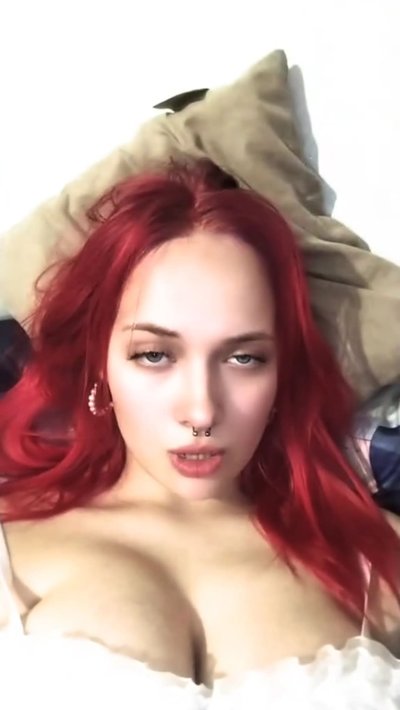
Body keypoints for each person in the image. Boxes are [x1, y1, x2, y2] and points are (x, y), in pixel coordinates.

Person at [0, 160, 399, 708]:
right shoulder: (11, 545)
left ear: (282, 373)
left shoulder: (380, 559)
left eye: (243, 358)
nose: (202, 410)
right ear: (99, 366)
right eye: (155, 355)